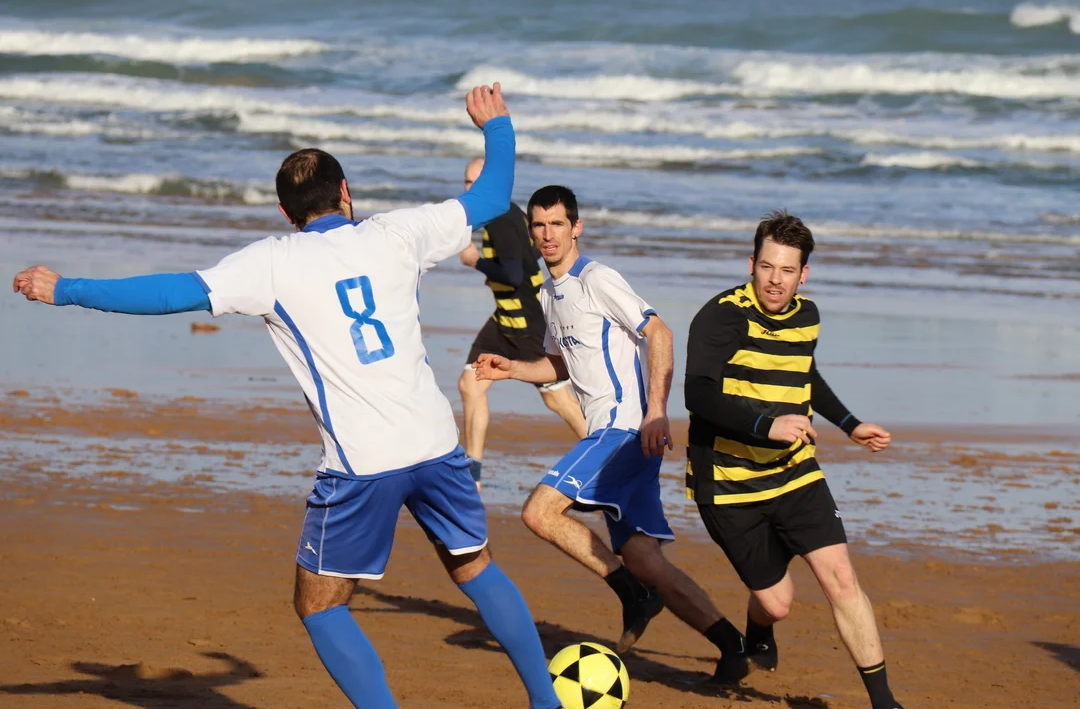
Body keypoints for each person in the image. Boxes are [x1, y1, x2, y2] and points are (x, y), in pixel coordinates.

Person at [12, 84, 563, 709]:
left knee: (320, 605)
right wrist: (497, 125)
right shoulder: (398, 232)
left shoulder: (271, 263)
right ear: (346, 192)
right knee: (475, 568)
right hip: (437, 443)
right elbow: (490, 198)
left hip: (361, 463)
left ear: (285, 212)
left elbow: (170, 293)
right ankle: (546, 703)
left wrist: (67, 288)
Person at [474, 185, 751, 683]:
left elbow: (659, 332)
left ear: (576, 228)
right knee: (644, 558)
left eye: (557, 224)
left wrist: (657, 413)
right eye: (539, 225)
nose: (548, 234)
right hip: (618, 436)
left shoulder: (597, 279)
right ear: (530, 232)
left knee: (539, 512)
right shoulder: (549, 293)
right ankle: (731, 645)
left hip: (625, 431)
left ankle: (632, 594)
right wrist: (511, 369)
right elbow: (560, 364)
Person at [683, 210, 903, 709]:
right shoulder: (722, 316)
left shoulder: (808, 316)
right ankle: (756, 633)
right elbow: (698, 394)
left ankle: (885, 702)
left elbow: (805, 374)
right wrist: (767, 425)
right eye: (766, 267)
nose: (775, 280)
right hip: (730, 482)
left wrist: (849, 424)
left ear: (804, 274)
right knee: (777, 603)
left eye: (787, 270)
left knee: (841, 577)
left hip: (794, 471)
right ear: (751, 264)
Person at [457, 157, 586, 487]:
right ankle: (473, 474)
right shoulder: (500, 215)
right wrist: (496, 275)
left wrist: (476, 262)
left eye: (474, 183)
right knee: (471, 384)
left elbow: (514, 275)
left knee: (558, 399)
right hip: (504, 318)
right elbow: (525, 260)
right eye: (466, 182)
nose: (468, 190)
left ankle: (608, 458)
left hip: (528, 322)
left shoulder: (502, 220)